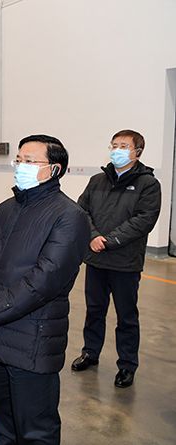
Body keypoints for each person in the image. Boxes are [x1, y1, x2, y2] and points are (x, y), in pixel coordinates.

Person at [0, 135, 90, 445]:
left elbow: (42, 282)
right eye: (19, 160)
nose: (20, 166)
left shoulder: (69, 217)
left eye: (30, 161)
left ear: (54, 169)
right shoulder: (8, 208)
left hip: (32, 340)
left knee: (36, 430)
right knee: (3, 423)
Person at [70, 129, 161, 388]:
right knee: (94, 311)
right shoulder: (97, 180)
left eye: (123, 146)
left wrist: (109, 240)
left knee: (126, 316)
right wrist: (93, 236)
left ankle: (127, 365)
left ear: (137, 152)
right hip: (96, 259)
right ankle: (90, 352)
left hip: (125, 262)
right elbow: (81, 211)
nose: (117, 150)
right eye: (114, 145)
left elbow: (144, 219)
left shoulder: (148, 184)